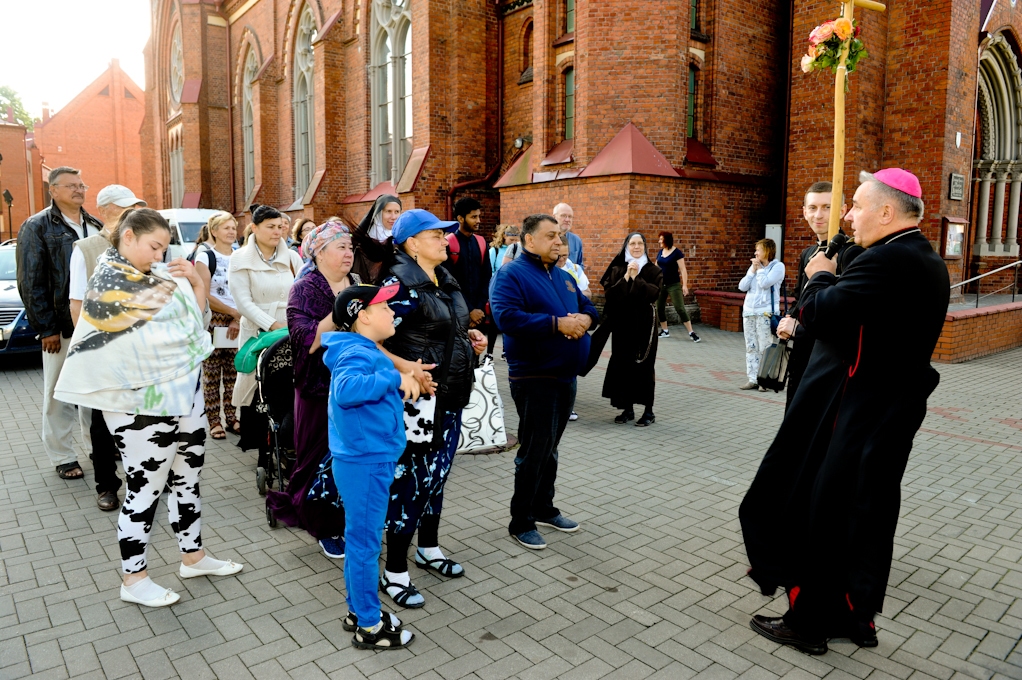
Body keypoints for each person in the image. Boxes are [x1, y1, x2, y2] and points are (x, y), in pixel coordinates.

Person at [740, 169, 950, 654]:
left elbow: (820, 316)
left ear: (886, 211)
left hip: (858, 417)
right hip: (888, 415)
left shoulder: (888, 262)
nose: (848, 215)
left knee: (825, 514)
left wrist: (818, 279)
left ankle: (809, 624)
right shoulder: (922, 258)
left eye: (855, 205)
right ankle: (854, 617)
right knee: (866, 519)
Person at [54, 209, 244, 607]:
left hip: (181, 390)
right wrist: (186, 299)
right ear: (127, 237)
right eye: (153, 246)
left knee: (187, 477)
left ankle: (193, 556)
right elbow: (159, 336)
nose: (159, 255)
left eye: (163, 246)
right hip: (139, 400)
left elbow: (193, 322)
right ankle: (134, 577)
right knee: (145, 489)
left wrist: (195, 280)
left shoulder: (151, 276)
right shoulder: (111, 280)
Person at [379, 209, 487, 608]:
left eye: (446, 234)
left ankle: (428, 548)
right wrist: (406, 367)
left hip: (450, 396)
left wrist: (469, 336)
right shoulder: (400, 284)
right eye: (436, 234)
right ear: (411, 243)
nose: (445, 239)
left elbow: (445, 327)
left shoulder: (444, 278)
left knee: (436, 478)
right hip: (417, 403)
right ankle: (394, 571)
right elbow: (366, 336)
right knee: (410, 483)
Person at [490, 214, 599, 550]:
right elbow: (506, 317)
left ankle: (544, 508)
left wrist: (585, 318)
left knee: (550, 448)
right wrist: (557, 325)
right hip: (534, 375)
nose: (558, 241)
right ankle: (520, 521)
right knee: (535, 449)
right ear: (529, 240)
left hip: (565, 375)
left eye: (560, 236)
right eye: (550, 235)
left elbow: (589, 307)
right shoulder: (511, 275)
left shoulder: (565, 276)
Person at [324, 284, 419, 650]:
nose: (393, 312)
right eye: (385, 307)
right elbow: (347, 390)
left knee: (361, 541)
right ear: (363, 316)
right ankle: (369, 625)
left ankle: (358, 609)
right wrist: (396, 377)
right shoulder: (355, 352)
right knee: (364, 545)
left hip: (365, 458)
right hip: (365, 462)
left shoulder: (358, 348)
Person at [267, 221, 359, 558]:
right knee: (316, 461)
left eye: (350, 247)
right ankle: (323, 526)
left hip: (354, 385)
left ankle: (348, 518)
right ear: (319, 253)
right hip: (317, 387)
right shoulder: (304, 288)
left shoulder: (357, 283)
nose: (349, 253)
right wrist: (342, 308)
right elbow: (306, 341)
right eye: (341, 247)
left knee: (348, 458)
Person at [15, 167, 104, 482]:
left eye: (82, 184)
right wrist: (46, 328)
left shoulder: (95, 225)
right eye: (71, 185)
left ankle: (98, 447)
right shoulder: (37, 226)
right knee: (58, 393)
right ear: (52, 190)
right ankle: (63, 455)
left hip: (95, 324)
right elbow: (30, 280)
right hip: (60, 326)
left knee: (94, 391)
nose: (79, 190)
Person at [67, 184, 147, 510]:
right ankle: (107, 486)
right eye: (124, 208)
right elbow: (76, 303)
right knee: (102, 424)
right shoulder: (85, 249)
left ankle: (144, 480)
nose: (132, 213)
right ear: (105, 211)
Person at [776, 182, 863, 410]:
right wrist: (788, 319)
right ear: (804, 212)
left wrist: (800, 330)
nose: (819, 215)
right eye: (813, 208)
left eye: (827, 207)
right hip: (801, 356)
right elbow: (801, 298)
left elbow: (844, 315)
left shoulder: (851, 253)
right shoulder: (808, 253)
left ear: (843, 211)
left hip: (828, 361)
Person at [228, 205, 304, 459]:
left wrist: (296, 324)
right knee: (261, 391)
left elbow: (302, 290)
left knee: (289, 388)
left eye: (280, 226)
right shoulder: (240, 259)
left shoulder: (292, 257)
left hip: (291, 333)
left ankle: (289, 444)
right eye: (270, 227)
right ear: (254, 227)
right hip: (259, 332)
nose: (277, 231)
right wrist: (272, 325)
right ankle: (263, 450)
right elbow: (242, 301)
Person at [598, 233, 663, 426]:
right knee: (623, 365)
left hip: (644, 326)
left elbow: (653, 295)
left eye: (640, 243)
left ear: (645, 246)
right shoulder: (617, 269)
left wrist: (637, 279)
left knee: (644, 366)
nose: (636, 247)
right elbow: (610, 295)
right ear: (626, 247)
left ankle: (648, 411)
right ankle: (628, 409)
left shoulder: (653, 270)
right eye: (632, 243)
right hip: (623, 325)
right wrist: (627, 277)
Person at [196, 212, 243, 439]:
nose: (231, 231)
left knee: (234, 373)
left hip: (239, 320)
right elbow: (204, 294)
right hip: (213, 320)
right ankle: (214, 422)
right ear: (213, 231)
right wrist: (231, 312)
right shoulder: (206, 257)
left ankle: (233, 417)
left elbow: (245, 292)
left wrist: (237, 317)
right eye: (225, 228)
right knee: (212, 374)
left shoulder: (241, 256)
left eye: (233, 227)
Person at [737, 239, 785, 391]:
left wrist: (759, 270)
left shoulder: (778, 267)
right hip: (749, 311)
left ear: (768, 251)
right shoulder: (755, 267)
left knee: (765, 347)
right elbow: (742, 286)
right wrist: (752, 270)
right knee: (751, 346)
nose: (756, 253)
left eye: (759, 250)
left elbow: (765, 283)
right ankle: (753, 379)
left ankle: (764, 379)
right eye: (756, 250)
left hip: (766, 313)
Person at [443, 197, 491, 330]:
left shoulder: (481, 243)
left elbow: (487, 278)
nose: (478, 221)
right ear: (460, 218)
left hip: (478, 313)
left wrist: (478, 310)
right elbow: (449, 282)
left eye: (479, 216)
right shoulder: (447, 243)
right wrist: (469, 311)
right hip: (455, 313)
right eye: (473, 217)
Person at [655, 232, 700, 342]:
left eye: (661, 239)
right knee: (659, 307)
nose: (659, 241)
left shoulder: (676, 253)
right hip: (661, 285)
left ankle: (691, 332)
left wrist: (685, 285)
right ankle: (665, 331)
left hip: (673, 285)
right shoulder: (661, 252)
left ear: (667, 240)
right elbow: (656, 267)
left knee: (679, 308)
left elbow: (683, 269)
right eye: (659, 239)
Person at [486, 224, 520, 356]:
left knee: (509, 320)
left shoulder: (518, 249)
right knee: (494, 323)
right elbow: (490, 271)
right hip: (497, 289)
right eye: (511, 240)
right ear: (504, 236)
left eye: (516, 240)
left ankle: (506, 351)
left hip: (512, 290)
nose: (514, 243)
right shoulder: (495, 250)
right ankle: (489, 353)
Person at [352, 195, 402, 284]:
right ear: (378, 213)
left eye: (397, 212)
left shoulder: (402, 240)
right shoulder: (362, 243)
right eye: (388, 211)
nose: (393, 216)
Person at [553, 203, 584, 271]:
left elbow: (580, 265)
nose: (567, 220)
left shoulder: (576, 240)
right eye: (563, 216)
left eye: (570, 216)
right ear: (554, 217)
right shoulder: (546, 239)